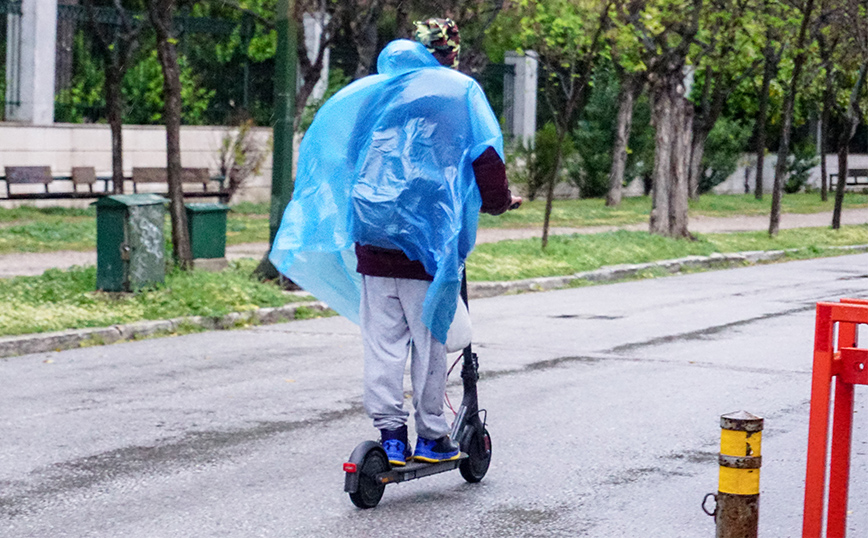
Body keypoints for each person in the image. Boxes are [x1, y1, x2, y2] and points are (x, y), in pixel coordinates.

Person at [268, 18, 520, 467]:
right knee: (430, 342)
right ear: (448, 54)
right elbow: (486, 157)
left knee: (382, 345)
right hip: (429, 249)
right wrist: (500, 202)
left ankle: (390, 436)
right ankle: (432, 436)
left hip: (373, 242)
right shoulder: (459, 94)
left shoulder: (374, 95)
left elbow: (348, 157)